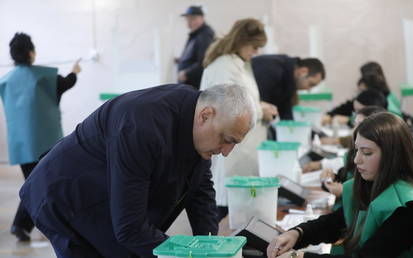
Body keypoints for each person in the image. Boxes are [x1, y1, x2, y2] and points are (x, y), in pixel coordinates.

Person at [19, 84, 256, 257]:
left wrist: (209, 247)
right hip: (65, 196)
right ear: (206, 115)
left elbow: (200, 189)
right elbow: (129, 228)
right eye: (227, 140)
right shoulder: (141, 126)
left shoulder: (198, 123)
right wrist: (183, 254)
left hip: (105, 196)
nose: (226, 152)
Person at [268, 112, 413, 258]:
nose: (357, 159)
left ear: (392, 156)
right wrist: (297, 233)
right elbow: (334, 223)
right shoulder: (370, 185)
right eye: (357, 150)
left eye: (367, 153)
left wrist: (298, 256)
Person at [0, 32, 81, 242]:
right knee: (39, 186)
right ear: (30, 53)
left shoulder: (6, 81)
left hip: (19, 145)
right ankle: (22, 224)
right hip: (43, 144)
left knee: (35, 185)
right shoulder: (44, 77)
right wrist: (75, 71)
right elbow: (66, 83)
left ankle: (24, 225)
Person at [200, 18, 278, 221]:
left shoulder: (239, 64)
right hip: (231, 150)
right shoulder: (223, 66)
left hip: (244, 149)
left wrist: (260, 107)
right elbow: (227, 109)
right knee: (224, 209)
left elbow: (245, 99)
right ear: (242, 41)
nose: (256, 52)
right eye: (254, 47)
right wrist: (260, 111)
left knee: (238, 209)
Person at [322, 61, 400, 125]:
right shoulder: (367, 96)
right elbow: (349, 106)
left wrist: (349, 120)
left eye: (364, 78)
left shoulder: (386, 99)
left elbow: (381, 122)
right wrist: (331, 114)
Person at [252, 55, 326, 120]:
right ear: (303, 71)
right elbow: (254, 104)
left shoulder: (288, 82)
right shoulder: (272, 69)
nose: (308, 90)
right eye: (311, 84)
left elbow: (287, 118)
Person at [177, 6, 215, 89]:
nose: (189, 22)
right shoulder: (196, 34)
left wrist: (186, 73)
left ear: (202, 18)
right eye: (187, 19)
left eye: (193, 19)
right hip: (189, 84)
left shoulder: (204, 35)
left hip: (195, 85)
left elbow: (204, 61)